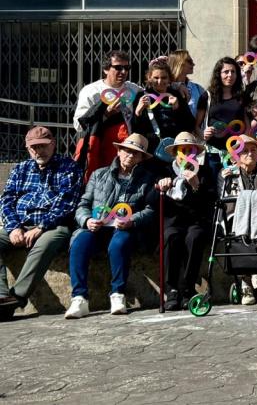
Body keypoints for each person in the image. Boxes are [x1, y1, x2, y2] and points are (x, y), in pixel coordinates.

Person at [65, 134, 157, 318]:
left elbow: (150, 209)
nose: (130, 156)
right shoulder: (98, 174)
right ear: (119, 151)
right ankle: (79, 299)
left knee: (119, 245)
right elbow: (83, 204)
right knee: (79, 242)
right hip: (97, 227)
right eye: (127, 151)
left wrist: (133, 220)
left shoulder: (147, 179)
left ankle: (118, 294)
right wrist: (86, 220)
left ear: (141, 158)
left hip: (124, 229)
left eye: (136, 154)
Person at [0, 127, 84, 320]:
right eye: (34, 147)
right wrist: (13, 228)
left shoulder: (68, 167)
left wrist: (41, 227)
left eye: (43, 146)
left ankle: (16, 297)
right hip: (20, 225)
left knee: (46, 243)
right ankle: (2, 296)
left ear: (53, 144)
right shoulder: (20, 168)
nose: (39, 151)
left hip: (53, 226)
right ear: (28, 148)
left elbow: (67, 203)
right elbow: (6, 200)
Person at [218, 134, 257, 304]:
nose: (249, 154)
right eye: (244, 151)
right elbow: (225, 202)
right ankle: (245, 281)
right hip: (234, 216)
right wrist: (225, 182)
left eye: (253, 150)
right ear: (236, 155)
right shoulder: (227, 174)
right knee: (238, 229)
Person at [154, 132, 217, 311]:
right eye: (183, 150)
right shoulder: (164, 171)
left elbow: (211, 200)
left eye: (191, 150)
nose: (187, 154)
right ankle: (171, 289)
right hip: (173, 221)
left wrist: (197, 186)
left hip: (196, 221)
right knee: (171, 236)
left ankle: (188, 288)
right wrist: (160, 187)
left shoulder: (204, 172)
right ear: (175, 153)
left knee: (195, 237)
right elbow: (152, 200)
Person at [72, 49, 142, 180]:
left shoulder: (133, 89)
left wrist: (178, 86)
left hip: (126, 151)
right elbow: (78, 124)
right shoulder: (91, 91)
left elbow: (155, 89)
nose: (123, 72)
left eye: (127, 68)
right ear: (105, 69)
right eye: (118, 68)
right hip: (99, 148)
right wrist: (105, 114)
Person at [133, 59, 195, 161]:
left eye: (164, 78)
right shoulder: (142, 96)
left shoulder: (176, 95)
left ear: (169, 78)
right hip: (151, 151)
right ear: (149, 77)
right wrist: (138, 112)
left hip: (175, 149)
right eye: (156, 78)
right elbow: (136, 130)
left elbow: (190, 125)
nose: (160, 81)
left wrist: (177, 109)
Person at [199, 57, 248, 172]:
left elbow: (247, 125)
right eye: (226, 72)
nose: (230, 75)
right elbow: (197, 125)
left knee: (235, 187)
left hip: (236, 153)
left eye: (233, 71)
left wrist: (241, 143)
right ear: (218, 74)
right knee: (213, 188)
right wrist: (203, 134)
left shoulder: (242, 97)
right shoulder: (207, 96)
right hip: (213, 153)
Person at [167, 49, 206, 124]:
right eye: (189, 61)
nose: (193, 64)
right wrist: (176, 85)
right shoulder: (166, 88)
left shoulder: (197, 88)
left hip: (196, 133)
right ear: (179, 63)